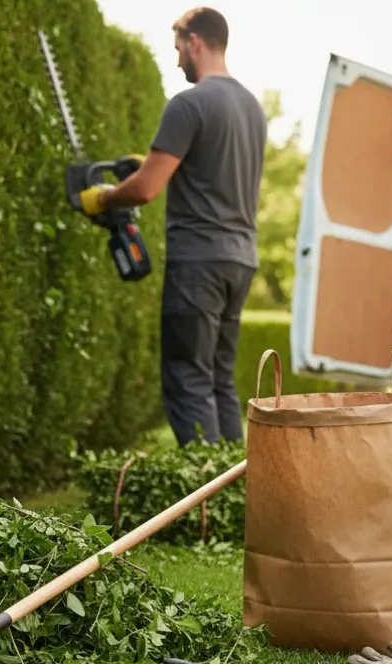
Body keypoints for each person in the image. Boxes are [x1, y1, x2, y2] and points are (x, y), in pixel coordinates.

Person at [75, 7, 267, 447]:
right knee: (219, 381)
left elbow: (144, 190)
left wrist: (101, 197)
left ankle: (201, 495)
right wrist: (155, 166)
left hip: (199, 261)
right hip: (239, 260)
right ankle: (232, 494)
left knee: (188, 379)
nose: (177, 57)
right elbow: (210, 171)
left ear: (195, 40)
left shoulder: (190, 103)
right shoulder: (251, 107)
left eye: (178, 46)